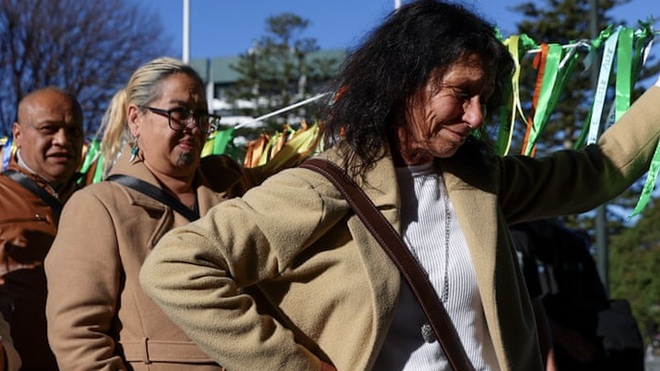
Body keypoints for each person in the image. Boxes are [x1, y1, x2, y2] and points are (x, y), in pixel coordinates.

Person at [138, 1, 660, 370]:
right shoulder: (322, 186)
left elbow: (601, 169)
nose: (477, 115)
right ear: (403, 83)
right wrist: (293, 367)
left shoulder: (485, 183)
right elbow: (175, 267)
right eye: (461, 93)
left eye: (487, 97)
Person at [44, 57, 298, 370]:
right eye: (178, 114)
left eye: (202, 116)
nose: (193, 127)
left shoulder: (237, 188)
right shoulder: (98, 207)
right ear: (135, 119)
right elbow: (78, 339)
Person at [0, 86, 84, 371]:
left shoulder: (99, 202)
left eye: (73, 131)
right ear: (18, 134)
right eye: (49, 129)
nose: (63, 141)